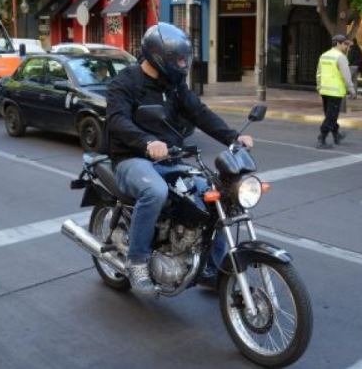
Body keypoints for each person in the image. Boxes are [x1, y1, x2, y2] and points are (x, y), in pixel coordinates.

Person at [105, 22, 253, 294]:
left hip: (170, 159)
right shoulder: (125, 82)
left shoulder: (174, 85)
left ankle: (211, 266)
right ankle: (137, 261)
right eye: (177, 59)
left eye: (184, 58)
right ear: (158, 56)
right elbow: (117, 120)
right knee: (154, 191)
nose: (182, 64)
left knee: (218, 196)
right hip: (131, 159)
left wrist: (233, 138)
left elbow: (200, 113)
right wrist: (147, 142)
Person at [315, 34, 356, 149]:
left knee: (330, 115)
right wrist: (352, 89)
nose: (346, 46)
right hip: (335, 92)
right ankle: (321, 138)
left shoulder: (324, 55)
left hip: (325, 91)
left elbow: (318, 73)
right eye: (344, 44)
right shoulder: (340, 57)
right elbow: (346, 76)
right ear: (338, 43)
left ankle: (336, 134)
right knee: (331, 116)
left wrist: (319, 87)